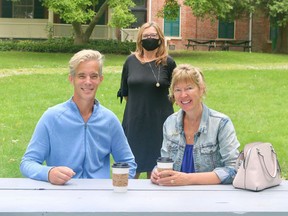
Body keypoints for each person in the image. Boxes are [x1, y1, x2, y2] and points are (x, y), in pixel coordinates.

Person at [20, 49, 137, 185]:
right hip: (62, 195)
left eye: (93, 76)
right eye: (81, 76)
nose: (88, 82)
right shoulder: (51, 118)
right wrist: (49, 173)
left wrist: (118, 187)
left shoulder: (109, 120)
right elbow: (28, 162)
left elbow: (128, 162)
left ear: (100, 79)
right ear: (72, 79)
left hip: (99, 198)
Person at [151, 64, 240, 186]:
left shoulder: (221, 123)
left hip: (213, 198)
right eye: (178, 90)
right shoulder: (170, 123)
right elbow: (165, 162)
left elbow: (233, 169)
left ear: (201, 89)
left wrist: (188, 179)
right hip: (175, 196)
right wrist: (156, 172)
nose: (183, 95)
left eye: (189, 88)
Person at [118, 22, 176, 179]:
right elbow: (125, 92)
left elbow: (176, 91)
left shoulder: (168, 63)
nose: (149, 39)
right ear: (140, 39)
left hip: (159, 122)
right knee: (131, 169)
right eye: (146, 36)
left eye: (153, 36)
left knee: (157, 172)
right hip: (135, 120)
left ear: (160, 39)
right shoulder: (130, 61)